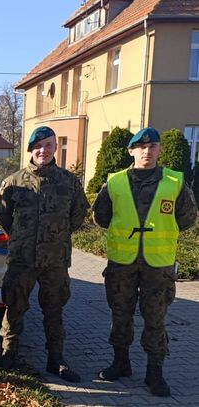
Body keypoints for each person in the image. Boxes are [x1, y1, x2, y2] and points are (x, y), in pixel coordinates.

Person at [92, 127, 197, 397]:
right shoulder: (114, 182)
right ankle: (121, 362)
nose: (146, 152)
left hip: (157, 265)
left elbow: (187, 218)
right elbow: (100, 216)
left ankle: (154, 371)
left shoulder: (174, 182)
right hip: (122, 263)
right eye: (141, 147)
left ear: (159, 150)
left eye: (152, 147)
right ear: (131, 151)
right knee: (120, 315)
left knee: (155, 318)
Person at [0, 126, 88, 382]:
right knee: (14, 307)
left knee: (54, 310)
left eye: (48, 145)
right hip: (22, 260)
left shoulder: (69, 182)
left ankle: (56, 359)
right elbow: (1, 215)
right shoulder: (13, 182)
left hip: (55, 261)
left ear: (55, 147)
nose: (43, 150)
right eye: (38, 146)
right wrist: (19, 237)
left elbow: (77, 215)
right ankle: (9, 353)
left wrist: (56, 236)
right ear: (30, 150)